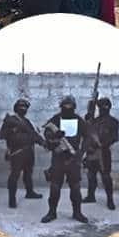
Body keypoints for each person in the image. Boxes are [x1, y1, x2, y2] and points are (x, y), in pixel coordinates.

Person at [41, 95, 89, 223]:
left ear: (74, 107)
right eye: (65, 106)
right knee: (55, 187)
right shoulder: (56, 119)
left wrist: (81, 152)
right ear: (61, 107)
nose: (67, 108)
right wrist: (53, 136)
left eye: (70, 106)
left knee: (75, 187)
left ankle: (77, 213)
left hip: (74, 159)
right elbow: (46, 133)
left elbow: (87, 137)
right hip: (58, 159)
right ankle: (52, 213)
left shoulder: (79, 120)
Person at [0, 98, 44, 208]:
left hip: (29, 151)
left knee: (28, 174)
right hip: (17, 152)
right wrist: (13, 130)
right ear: (16, 108)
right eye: (21, 107)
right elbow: (1, 135)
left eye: (24, 107)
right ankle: (12, 199)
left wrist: (43, 142)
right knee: (15, 175)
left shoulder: (27, 122)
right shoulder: (10, 121)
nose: (23, 109)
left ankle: (29, 192)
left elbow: (33, 134)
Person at [82, 97, 119, 210]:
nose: (104, 108)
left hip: (103, 152)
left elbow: (114, 137)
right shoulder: (94, 120)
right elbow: (86, 133)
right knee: (91, 175)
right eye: (101, 106)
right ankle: (90, 196)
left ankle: (110, 200)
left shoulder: (113, 121)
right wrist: (88, 118)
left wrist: (102, 144)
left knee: (106, 177)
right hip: (91, 151)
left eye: (106, 106)